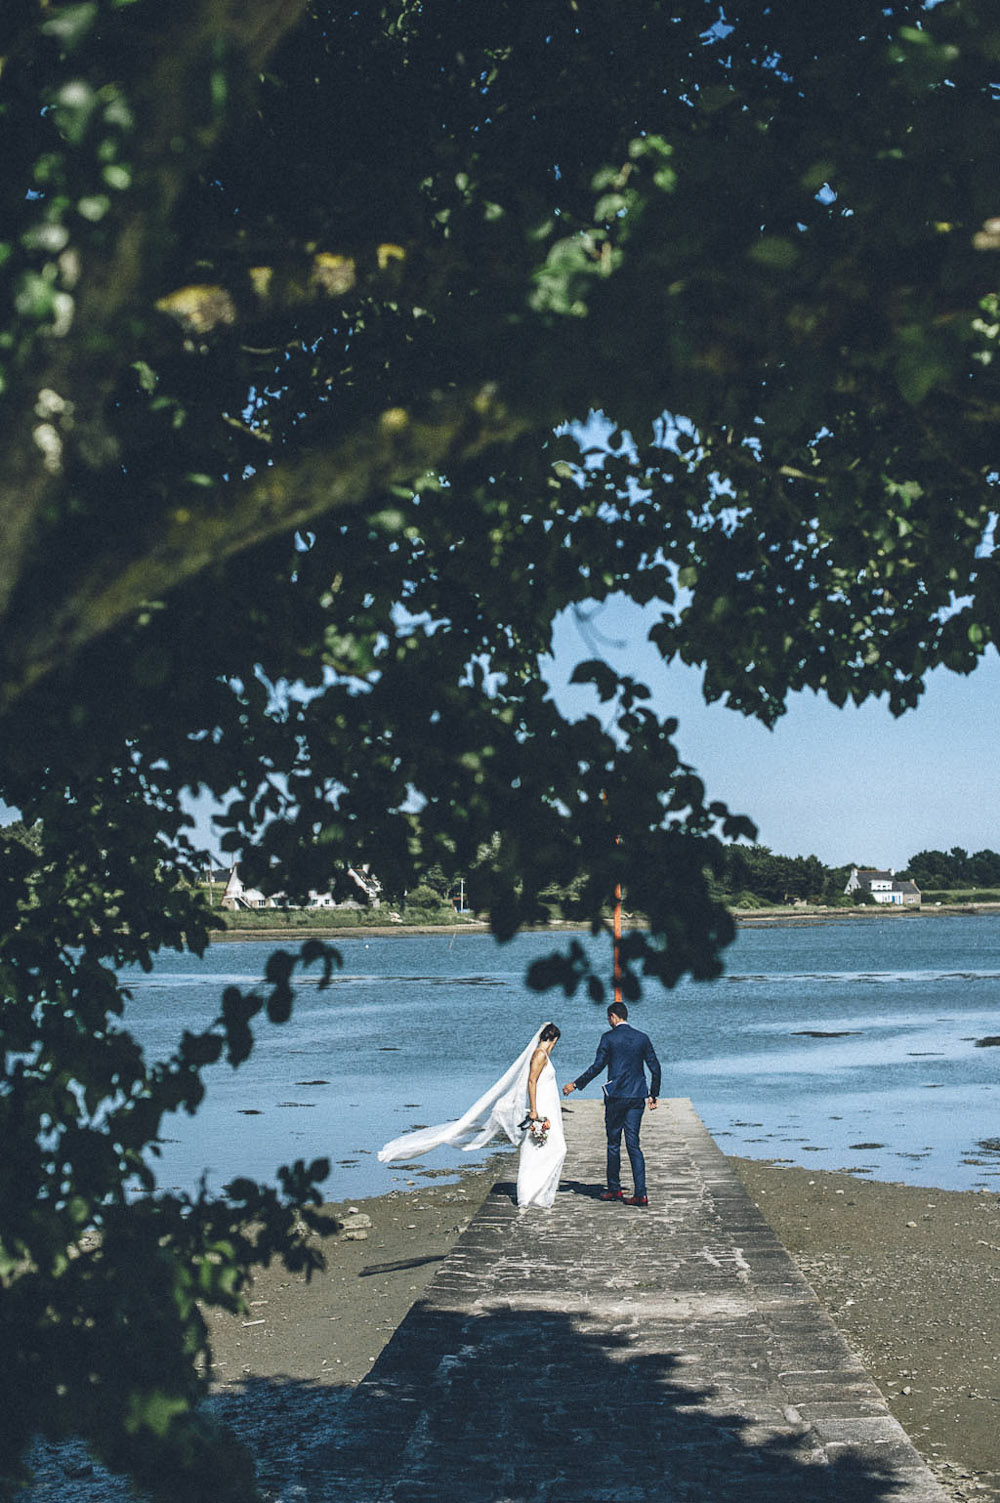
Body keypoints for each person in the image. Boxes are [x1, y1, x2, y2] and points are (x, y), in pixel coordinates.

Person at [377, 1023, 566, 1209]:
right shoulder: (540, 1055)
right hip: (541, 1108)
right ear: (554, 1039)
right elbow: (531, 1081)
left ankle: (537, 1192)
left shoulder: (542, 1055)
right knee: (552, 1148)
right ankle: (530, 1192)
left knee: (544, 1148)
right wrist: (534, 1110)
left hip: (547, 1107)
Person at [562, 1000, 660, 1207]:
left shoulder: (609, 1038)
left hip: (616, 1097)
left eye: (608, 1018)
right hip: (636, 1096)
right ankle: (641, 1193)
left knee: (613, 1143)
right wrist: (653, 1094)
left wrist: (576, 1084)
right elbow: (655, 1068)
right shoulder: (642, 1038)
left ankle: (614, 1189)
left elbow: (597, 1066)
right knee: (634, 1144)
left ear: (613, 1017)